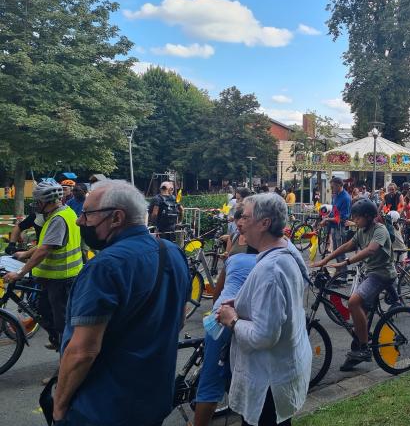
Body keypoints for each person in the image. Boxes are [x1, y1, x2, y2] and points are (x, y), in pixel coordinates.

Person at [53, 180, 188, 425]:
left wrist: (59, 406)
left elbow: (82, 351)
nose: (79, 221)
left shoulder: (105, 267)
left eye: (87, 214)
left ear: (116, 218)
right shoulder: (172, 252)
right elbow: (178, 320)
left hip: (103, 407)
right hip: (154, 399)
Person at [216, 193, 310, 426]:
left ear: (265, 223)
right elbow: (278, 305)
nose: (239, 223)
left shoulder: (271, 268)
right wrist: (242, 304)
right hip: (280, 372)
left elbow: (264, 335)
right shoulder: (286, 250)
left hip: (268, 382)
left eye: (245, 217)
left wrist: (233, 320)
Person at [313, 199, 396, 370]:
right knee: (358, 318)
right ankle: (360, 345)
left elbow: (371, 249)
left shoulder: (379, 230)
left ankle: (364, 349)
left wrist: (346, 263)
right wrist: (325, 260)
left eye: (357, 218)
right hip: (370, 273)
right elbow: (347, 246)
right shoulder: (361, 230)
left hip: (381, 275)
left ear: (368, 216)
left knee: (353, 302)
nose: (355, 221)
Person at [194, 210, 257, 426]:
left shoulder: (234, 259)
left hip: (221, 317)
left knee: (211, 379)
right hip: (247, 322)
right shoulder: (271, 258)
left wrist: (215, 312)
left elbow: (217, 291)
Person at [5, 182, 82, 352]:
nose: (36, 204)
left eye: (38, 201)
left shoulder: (58, 219)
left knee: (62, 325)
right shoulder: (57, 214)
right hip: (53, 278)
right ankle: (57, 341)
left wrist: (19, 273)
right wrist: (24, 254)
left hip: (62, 279)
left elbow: (44, 250)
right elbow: (45, 244)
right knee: (43, 312)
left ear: (49, 201)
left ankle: (64, 367)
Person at [320, 177, 352, 281]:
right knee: (336, 251)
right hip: (334, 227)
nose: (331, 188)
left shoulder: (346, 198)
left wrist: (328, 219)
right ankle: (339, 273)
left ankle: (343, 276)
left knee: (340, 252)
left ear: (339, 185)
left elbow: (342, 217)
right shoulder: (335, 196)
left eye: (333, 186)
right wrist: (327, 217)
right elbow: (334, 212)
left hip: (340, 227)